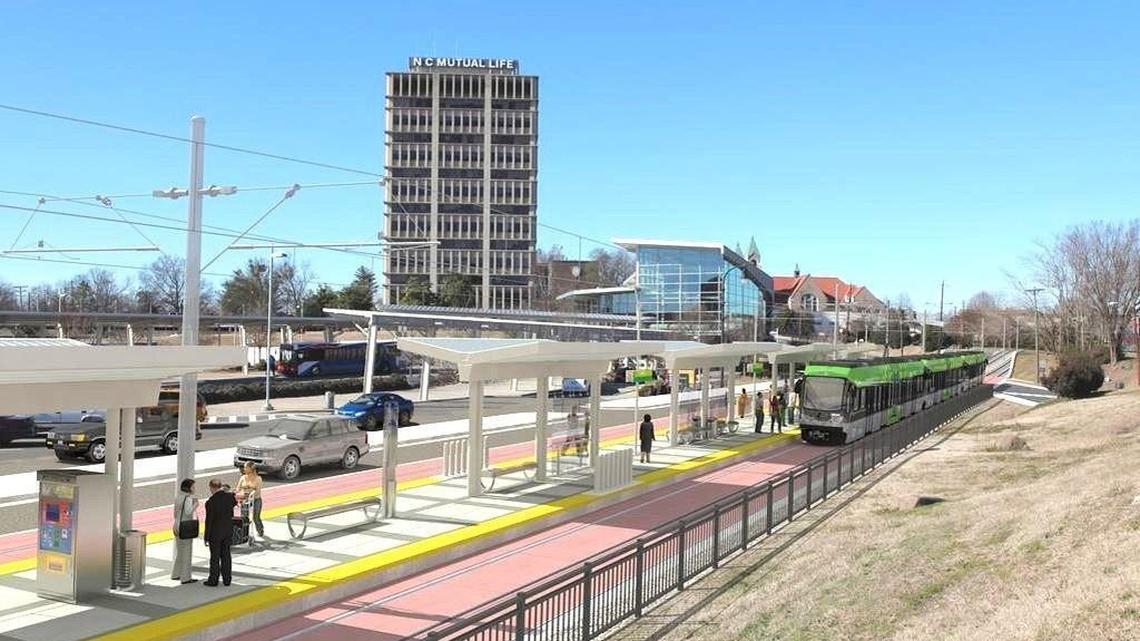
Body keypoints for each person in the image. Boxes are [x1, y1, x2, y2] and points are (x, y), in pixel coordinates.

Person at [203, 478, 237, 587]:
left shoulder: (210, 502)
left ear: (211, 487)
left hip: (215, 533)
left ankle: (213, 579)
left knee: (215, 557)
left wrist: (206, 536)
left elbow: (209, 521)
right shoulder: (229, 497)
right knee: (226, 555)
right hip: (227, 531)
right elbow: (235, 502)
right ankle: (227, 579)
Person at [171, 478, 199, 584]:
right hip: (185, 526)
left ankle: (176, 574)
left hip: (176, 525)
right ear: (189, 488)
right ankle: (186, 577)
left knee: (179, 551)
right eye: (193, 486)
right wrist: (196, 504)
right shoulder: (188, 499)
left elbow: (174, 514)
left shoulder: (178, 497)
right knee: (187, 552)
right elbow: (188, 511)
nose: (195, 488)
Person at [236, 461, 265, 539]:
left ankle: (260, 530)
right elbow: (238, 488)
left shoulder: (258, 478)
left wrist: (249, 495)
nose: (244, 469)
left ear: (251, 469)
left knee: (256, 517)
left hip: (256, 499)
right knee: (244, 517)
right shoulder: (243, 478)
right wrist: (241, 495)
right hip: (245, 500)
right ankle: (244, 534)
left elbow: (257, 491)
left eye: (246, 467)